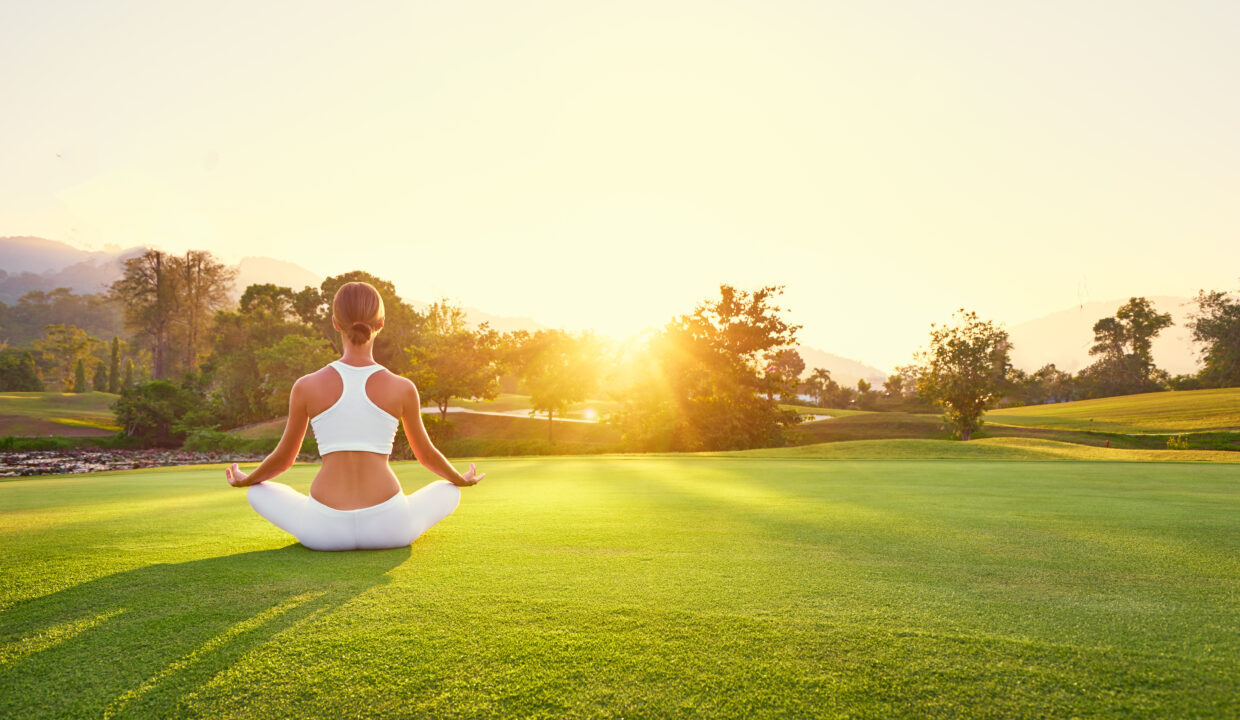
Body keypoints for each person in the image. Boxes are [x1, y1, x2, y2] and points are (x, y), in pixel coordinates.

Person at [224, 281, 484, 551]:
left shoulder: (306, 386)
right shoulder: (403, 387)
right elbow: (426, 455)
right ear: (381, 324)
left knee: (257, 491)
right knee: (449, 491)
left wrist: (248, 479)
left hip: (323, 531)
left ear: (336, 323)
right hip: (391, 526)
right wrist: (459, 479)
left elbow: (284, 460)